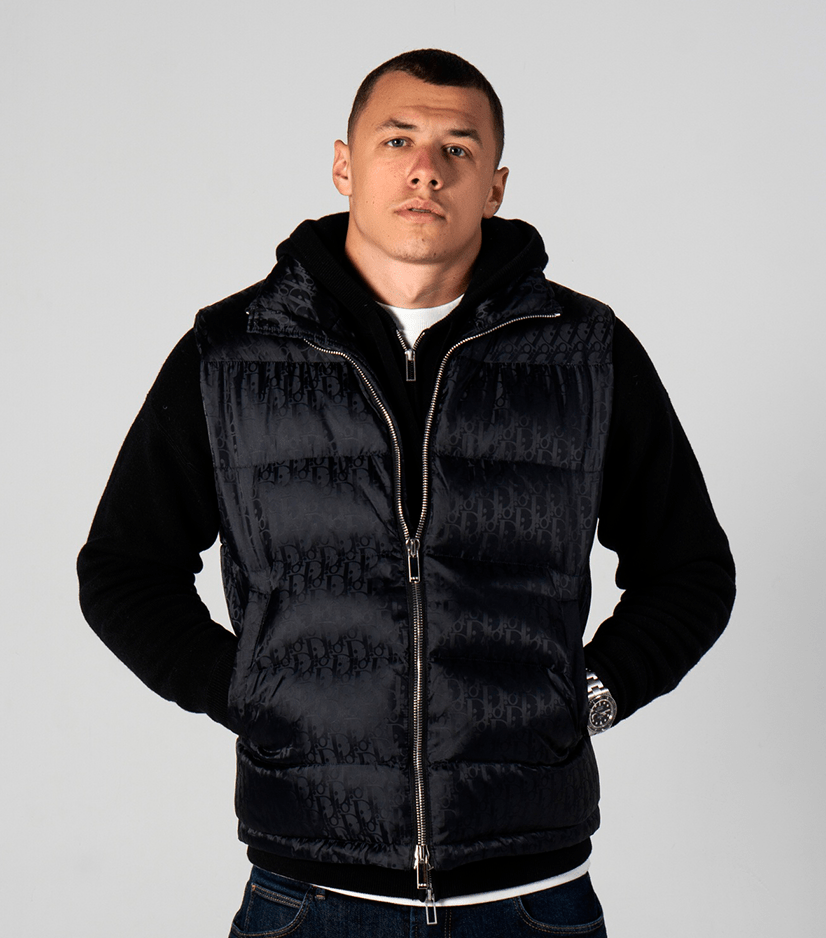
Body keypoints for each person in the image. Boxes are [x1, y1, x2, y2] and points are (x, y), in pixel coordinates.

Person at [78, 49, 735, 937]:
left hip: (531, 901)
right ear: (344, 165)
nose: (427, 168)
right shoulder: (232, 354)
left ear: (494, 186)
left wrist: (587, 695)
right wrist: (253, 693)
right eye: (397, 141)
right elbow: (123, 570)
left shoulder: (586, 353)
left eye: (458, 148)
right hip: (308, 900)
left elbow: (691, 570)